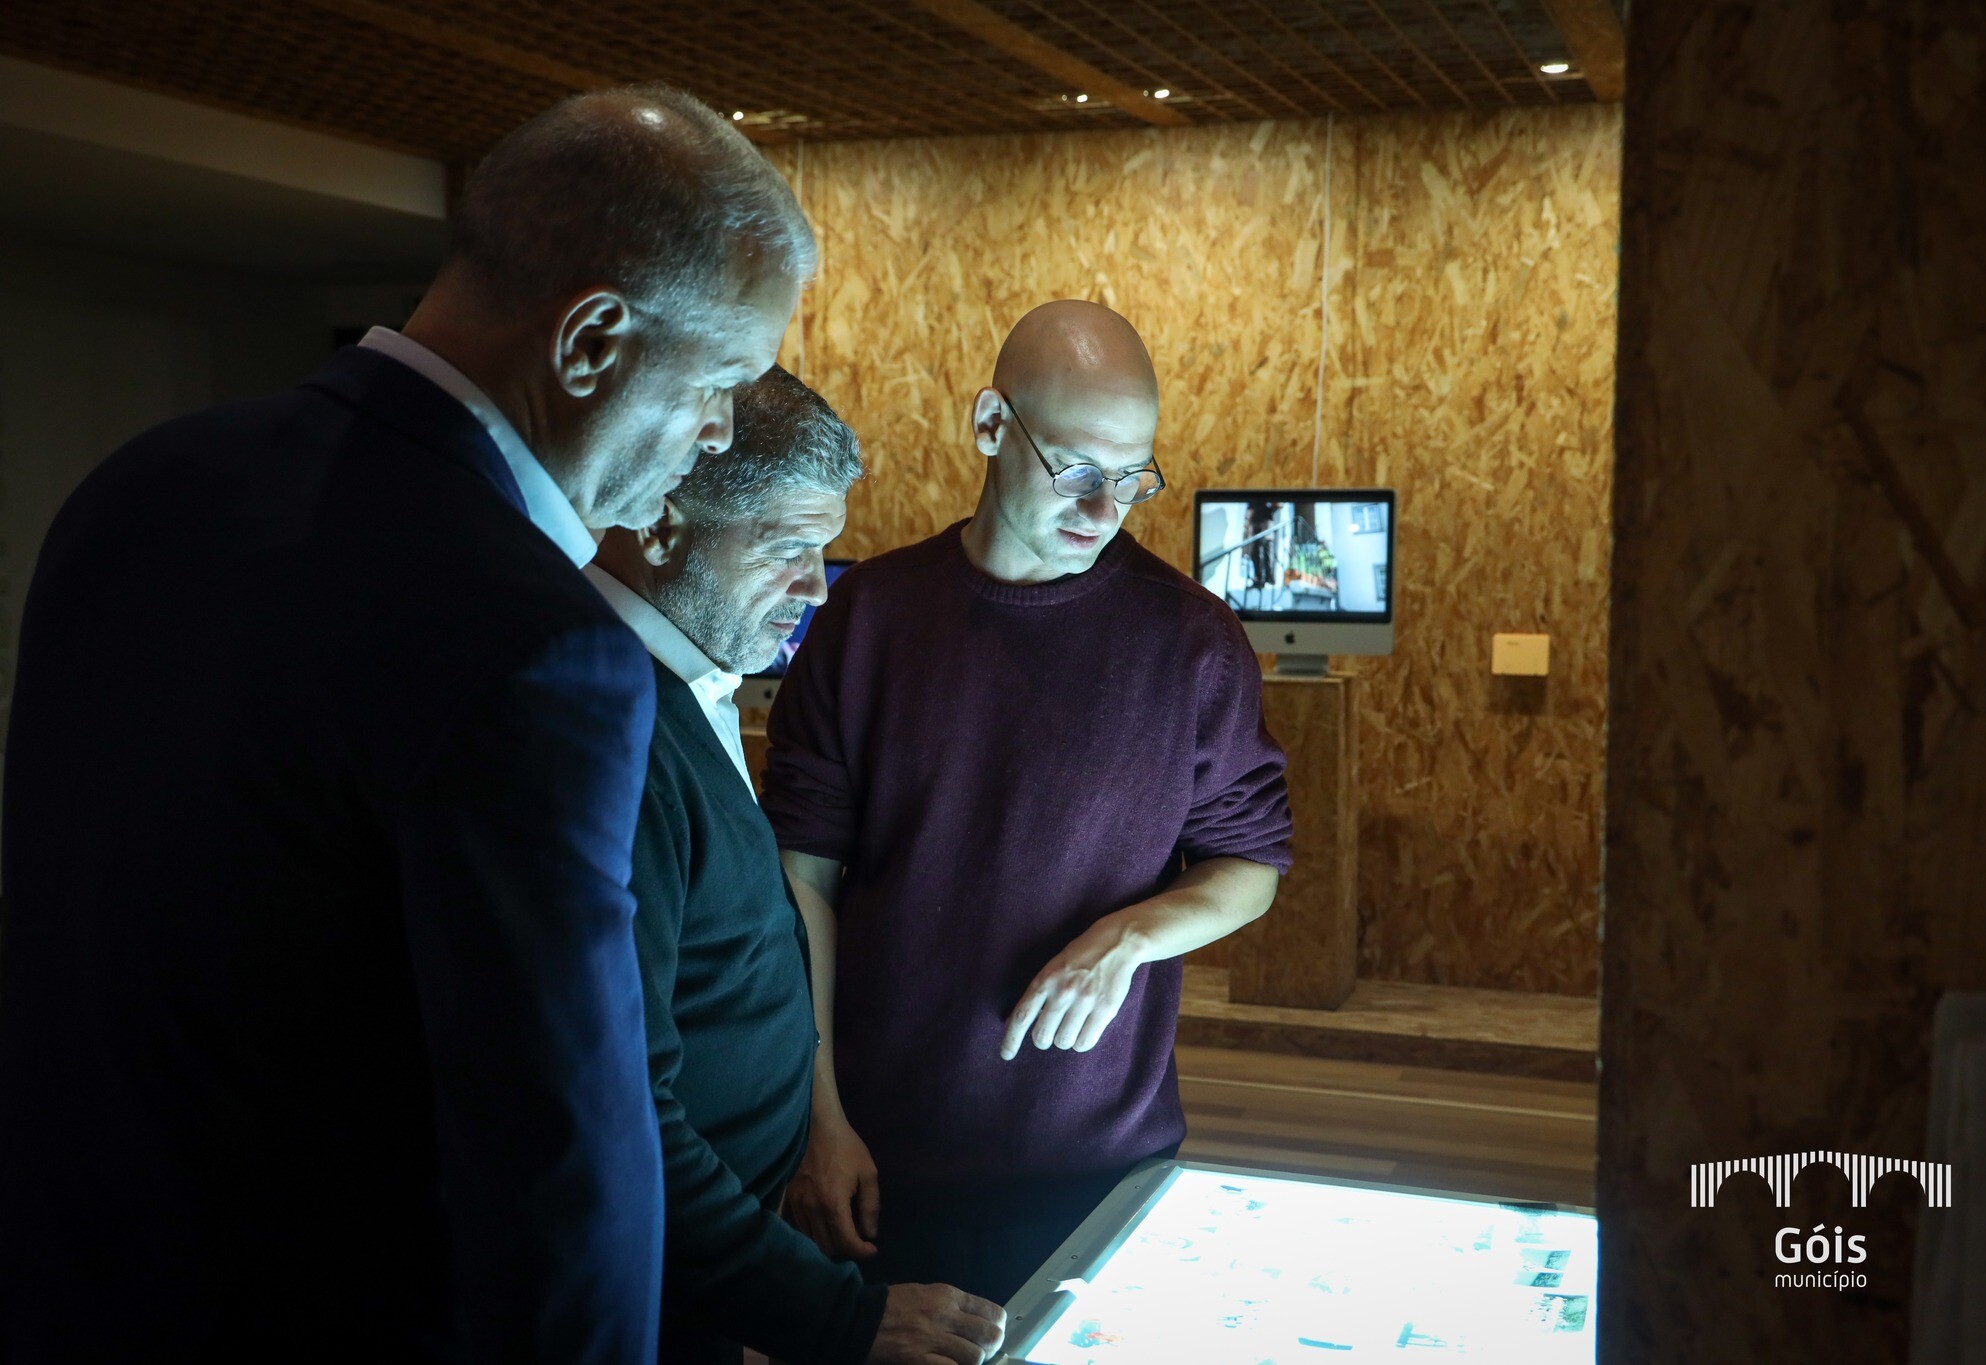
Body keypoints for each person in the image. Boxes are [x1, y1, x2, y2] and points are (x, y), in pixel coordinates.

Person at [0, 84, 810, 1363]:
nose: (714, 437)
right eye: (719, 384)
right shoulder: (538, 645)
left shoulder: (139, 486)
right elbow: (559, 1164)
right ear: (591, 340)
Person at [765, 300, 1295, 1305]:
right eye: (1077, 469)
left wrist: (1129, 937)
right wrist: (817, 1117)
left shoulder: (1191, 642)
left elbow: (1249, 866)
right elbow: (800, 880)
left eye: (1132, 477)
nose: (1104, 509)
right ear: (989, 426)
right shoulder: (867, 617)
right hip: (878, 1145)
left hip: (1099, 1156)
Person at [586, 367, 1005, 1365]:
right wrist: (832, 1316)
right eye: (787, 549)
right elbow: (620, 1107)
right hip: (646, 1279)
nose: (816, 589)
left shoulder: (690, 676)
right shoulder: (607, 729)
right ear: (661, 522)